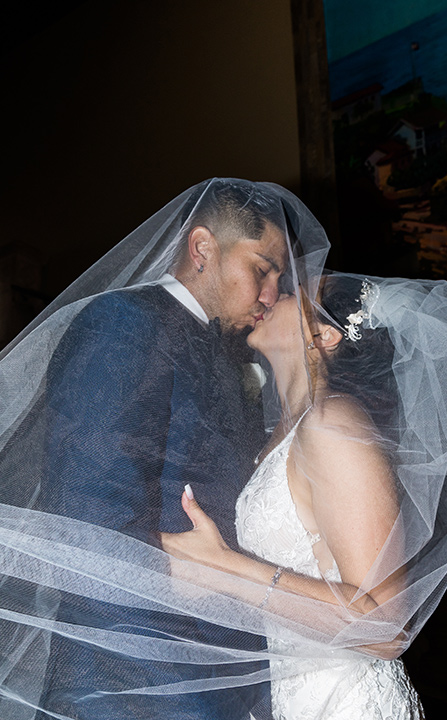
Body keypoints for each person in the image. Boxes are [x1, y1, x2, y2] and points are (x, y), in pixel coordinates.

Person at [0, 178, 330, 720]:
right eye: (262, 270)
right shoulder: (122, 325)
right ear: (203, 249)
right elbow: (89, 526)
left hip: (214, 679)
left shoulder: (222, 353)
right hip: (134, 686)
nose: (272, 294)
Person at [161, 271, 447, 719]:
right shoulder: (278, 435)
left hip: (348, 704)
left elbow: (386, 630)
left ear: (326, 334)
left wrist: (223, 567)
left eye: (290, 291)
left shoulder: (334, 423)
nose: (269, 293)